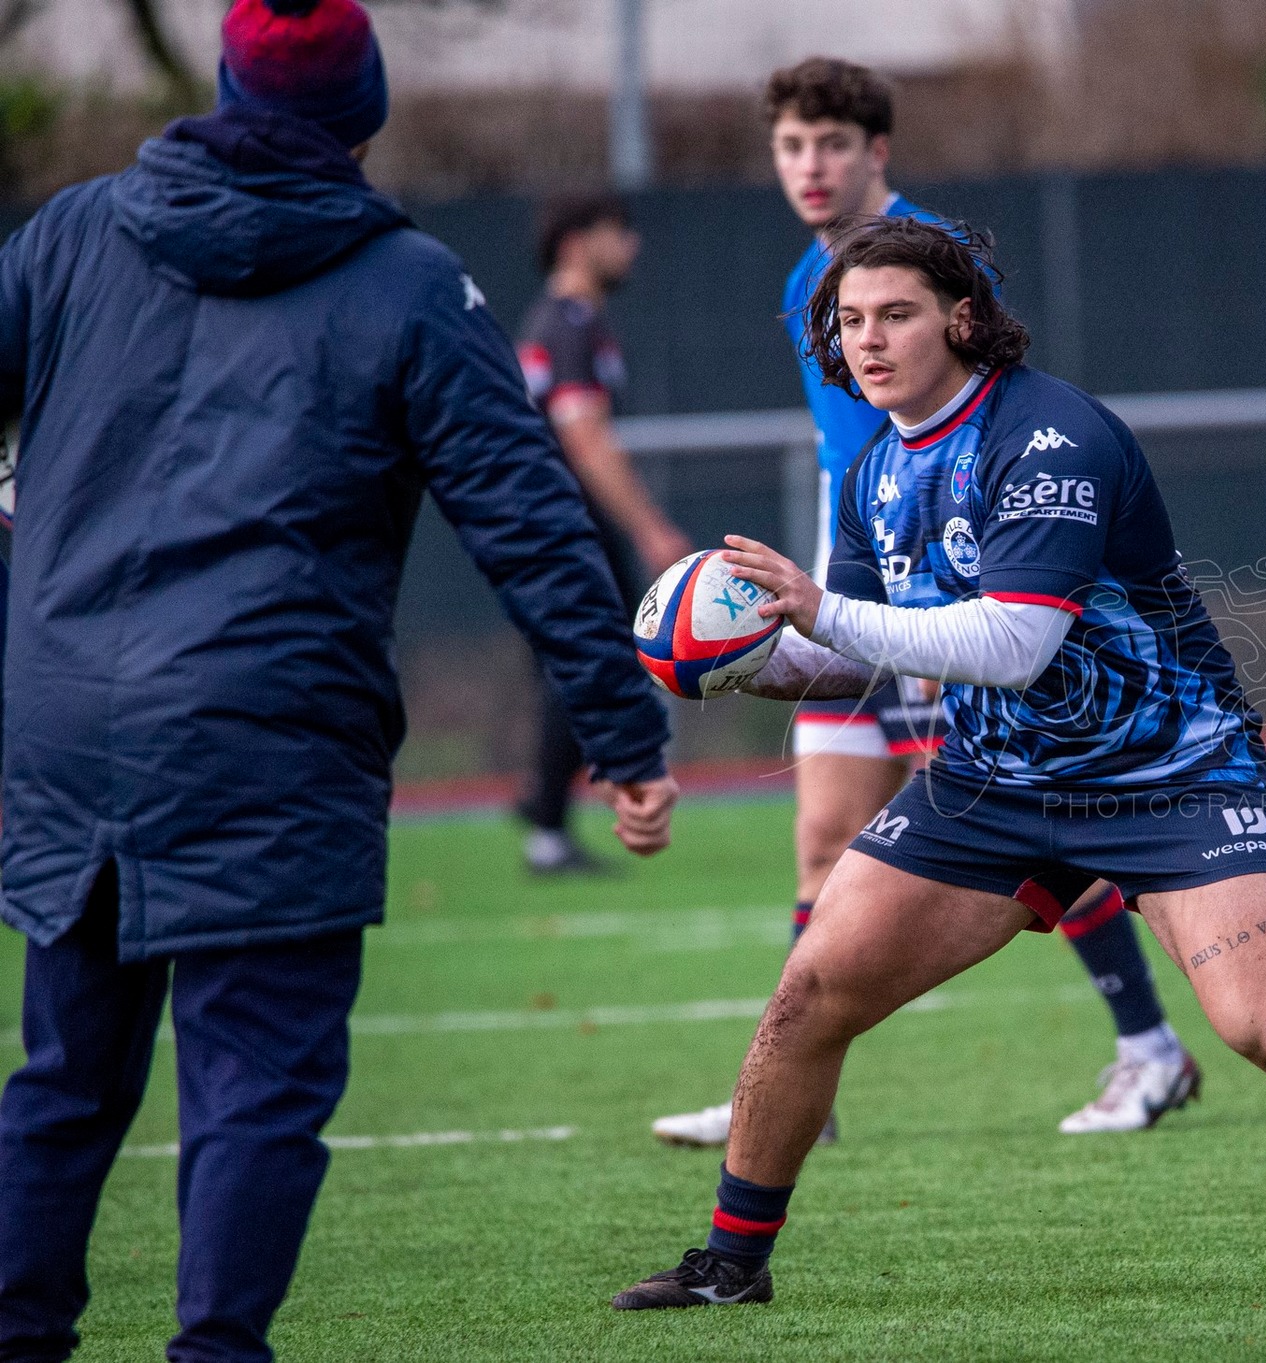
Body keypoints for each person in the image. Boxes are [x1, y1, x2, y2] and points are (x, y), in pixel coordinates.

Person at [610, 215, 1266, 1311]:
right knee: (809, 992)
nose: (869, 342)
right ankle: (730, 1265)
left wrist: (826, 608)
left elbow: (1010, 641)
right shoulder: (874, 472)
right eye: (849, 322)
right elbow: (859, 650)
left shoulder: (1048, 436)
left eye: (895, 314)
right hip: (994, 780)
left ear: (962, 316)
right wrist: (741, 657)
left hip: (1171, 774)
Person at [0, 3, 681, 1359]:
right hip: (271, 735)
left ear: (224, 84)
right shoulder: (410, 282)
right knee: (258, 1081)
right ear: (363, 115)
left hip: (71, 727)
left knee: (66, 1079)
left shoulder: (75, 232)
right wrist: (624, 726)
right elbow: (530, 520)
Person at [650, 57, 1197, 1147]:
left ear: (875, 153)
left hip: (944, 603)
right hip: (849, 590)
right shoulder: (807, 283)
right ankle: (797, 1083)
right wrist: (787, 609)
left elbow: (989, 419)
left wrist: (924, 589)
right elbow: (843, 462)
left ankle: (1149, 1046)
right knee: (819, 834)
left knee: (1024, 846)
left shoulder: (925, 260)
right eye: (791, 147)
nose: (810, 167)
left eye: (831, 146)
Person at [514, 193, 692, 875]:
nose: (632, 246)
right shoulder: (569, 323)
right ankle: (546, 822)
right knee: (587, 662)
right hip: (565, 525)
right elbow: (584, 438)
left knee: (583, 662)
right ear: (576, 241)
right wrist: (650, 528)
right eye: (619, 232)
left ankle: (543, 802)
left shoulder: (573, 321)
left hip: (563, 525)